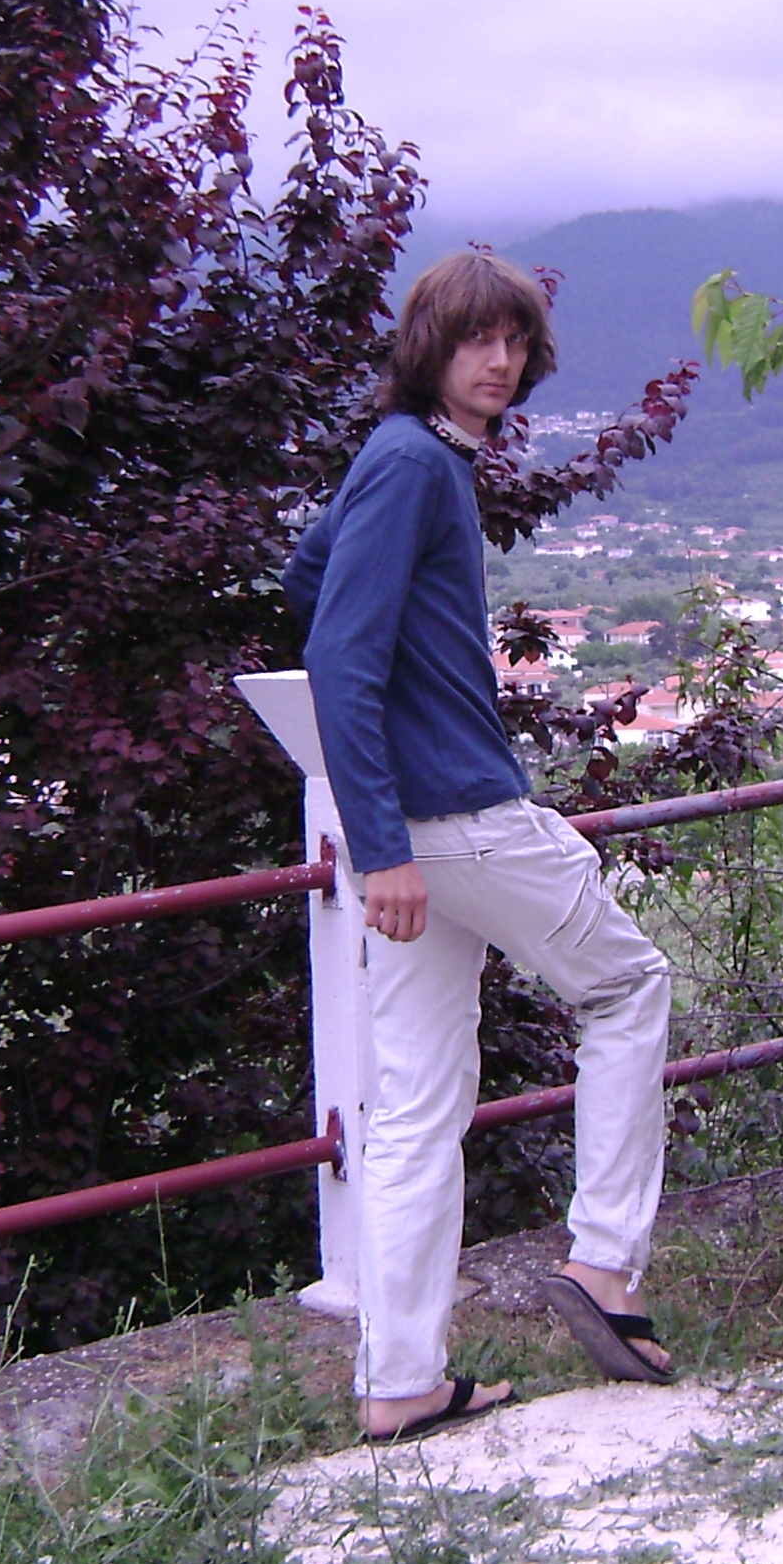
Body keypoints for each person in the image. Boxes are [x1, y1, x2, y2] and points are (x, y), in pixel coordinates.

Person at [284, 252, 677, 1441]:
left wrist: (388, 824)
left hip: (420, 830)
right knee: (629, 985)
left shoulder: (410, 455)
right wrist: (383, 845)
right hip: (456, 817)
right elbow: (338, 652)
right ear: (430, 347)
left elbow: (309, 578)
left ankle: (401, 1379)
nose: (499, 361)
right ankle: (603, 1263)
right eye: (475, 340)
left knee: (414, 1106)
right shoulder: (415, 461)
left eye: (513, 341)